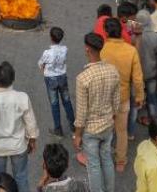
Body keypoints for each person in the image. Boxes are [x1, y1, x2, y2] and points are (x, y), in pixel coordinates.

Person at [0, 62, 39, 192]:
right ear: (13, 79)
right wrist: (32, 139)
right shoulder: (22, 97)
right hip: (18, 146)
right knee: (21, 178)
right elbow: (30, 122)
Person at [73, 33, 120, 192]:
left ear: (87, 49)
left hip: (91, 130)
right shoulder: (113, 71)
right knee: (107, 159)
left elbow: (81, 113)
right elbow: (116, 103)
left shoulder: (83, 78)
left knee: (93, 165)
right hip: (107, 126)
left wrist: (77, 135)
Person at [100, 17, 144, 172]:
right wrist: (139, 97)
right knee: (121, 131)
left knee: (104, 128)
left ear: (106, 32)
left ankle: (102, 157)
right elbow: (138, 78)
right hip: (123, 98)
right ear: (121, 31)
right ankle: (121, 161)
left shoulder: (102, 50)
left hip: (104, 97)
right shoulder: (131, 51)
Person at [38, 27, 76, 138]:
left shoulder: (47, 52)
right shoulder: (65, 49)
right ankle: (73, 127)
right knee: (67, 101)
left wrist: (44, 69)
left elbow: (41, 63)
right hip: (62, 78)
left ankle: (58, 129)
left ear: (51, 38)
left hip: (51, 79)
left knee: (54, 104)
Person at [135, 10, 157, 125]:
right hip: (152, 72)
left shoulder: (134, 37)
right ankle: (154, 119)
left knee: (136, 95)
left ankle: (133, 118)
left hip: (138, 73)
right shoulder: (155, 36)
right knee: (152, 97)